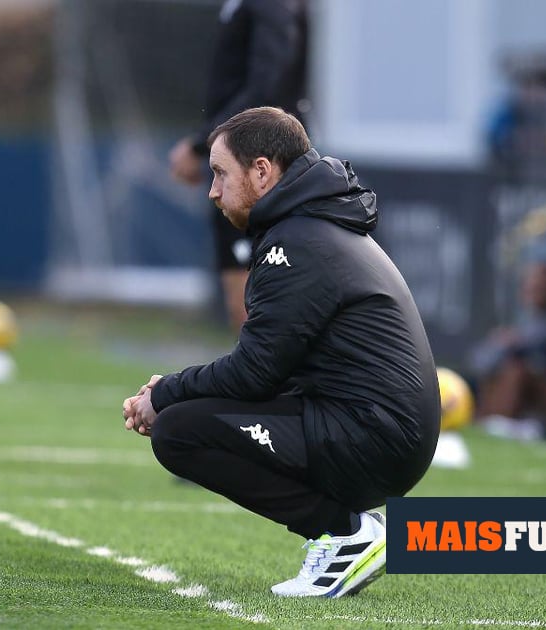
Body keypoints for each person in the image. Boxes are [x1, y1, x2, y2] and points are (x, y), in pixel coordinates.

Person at [125, 108, 439, 598]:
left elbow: (254, 372)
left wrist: (165, 390)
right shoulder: (309, 226)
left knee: (180, 430)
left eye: (220, 173)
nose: (212, 190)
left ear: (263, 171)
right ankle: (348, 529)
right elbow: (270, 370)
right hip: (373, 427)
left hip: (373, 438)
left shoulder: (297, 240)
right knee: (187, 414)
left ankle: (345, 533)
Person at [168, 0, 308, 333]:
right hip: (245, 158)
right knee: (246, 308)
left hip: (257, 164)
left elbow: (267, 87)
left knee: (254, 309)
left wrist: (203, 143)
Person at [472, 262, 546, 439]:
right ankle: (486, 421)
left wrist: (509, 341)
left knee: (516, 370)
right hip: (538, 401)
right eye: (530, 287)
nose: (534, 292)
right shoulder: (531, 320)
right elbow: (480, 360)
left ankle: (499, 421)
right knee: (497, 370)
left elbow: (532, 345)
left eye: (540, 287)